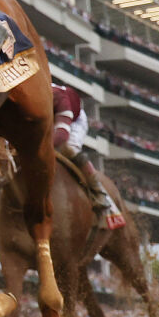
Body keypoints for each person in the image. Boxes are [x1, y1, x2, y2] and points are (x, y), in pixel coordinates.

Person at [53, 83, 125, 229]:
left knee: (69, 150)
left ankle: (99, 192)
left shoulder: (58, 97)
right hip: (51, 118)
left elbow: (61, 135)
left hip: (73, 120)